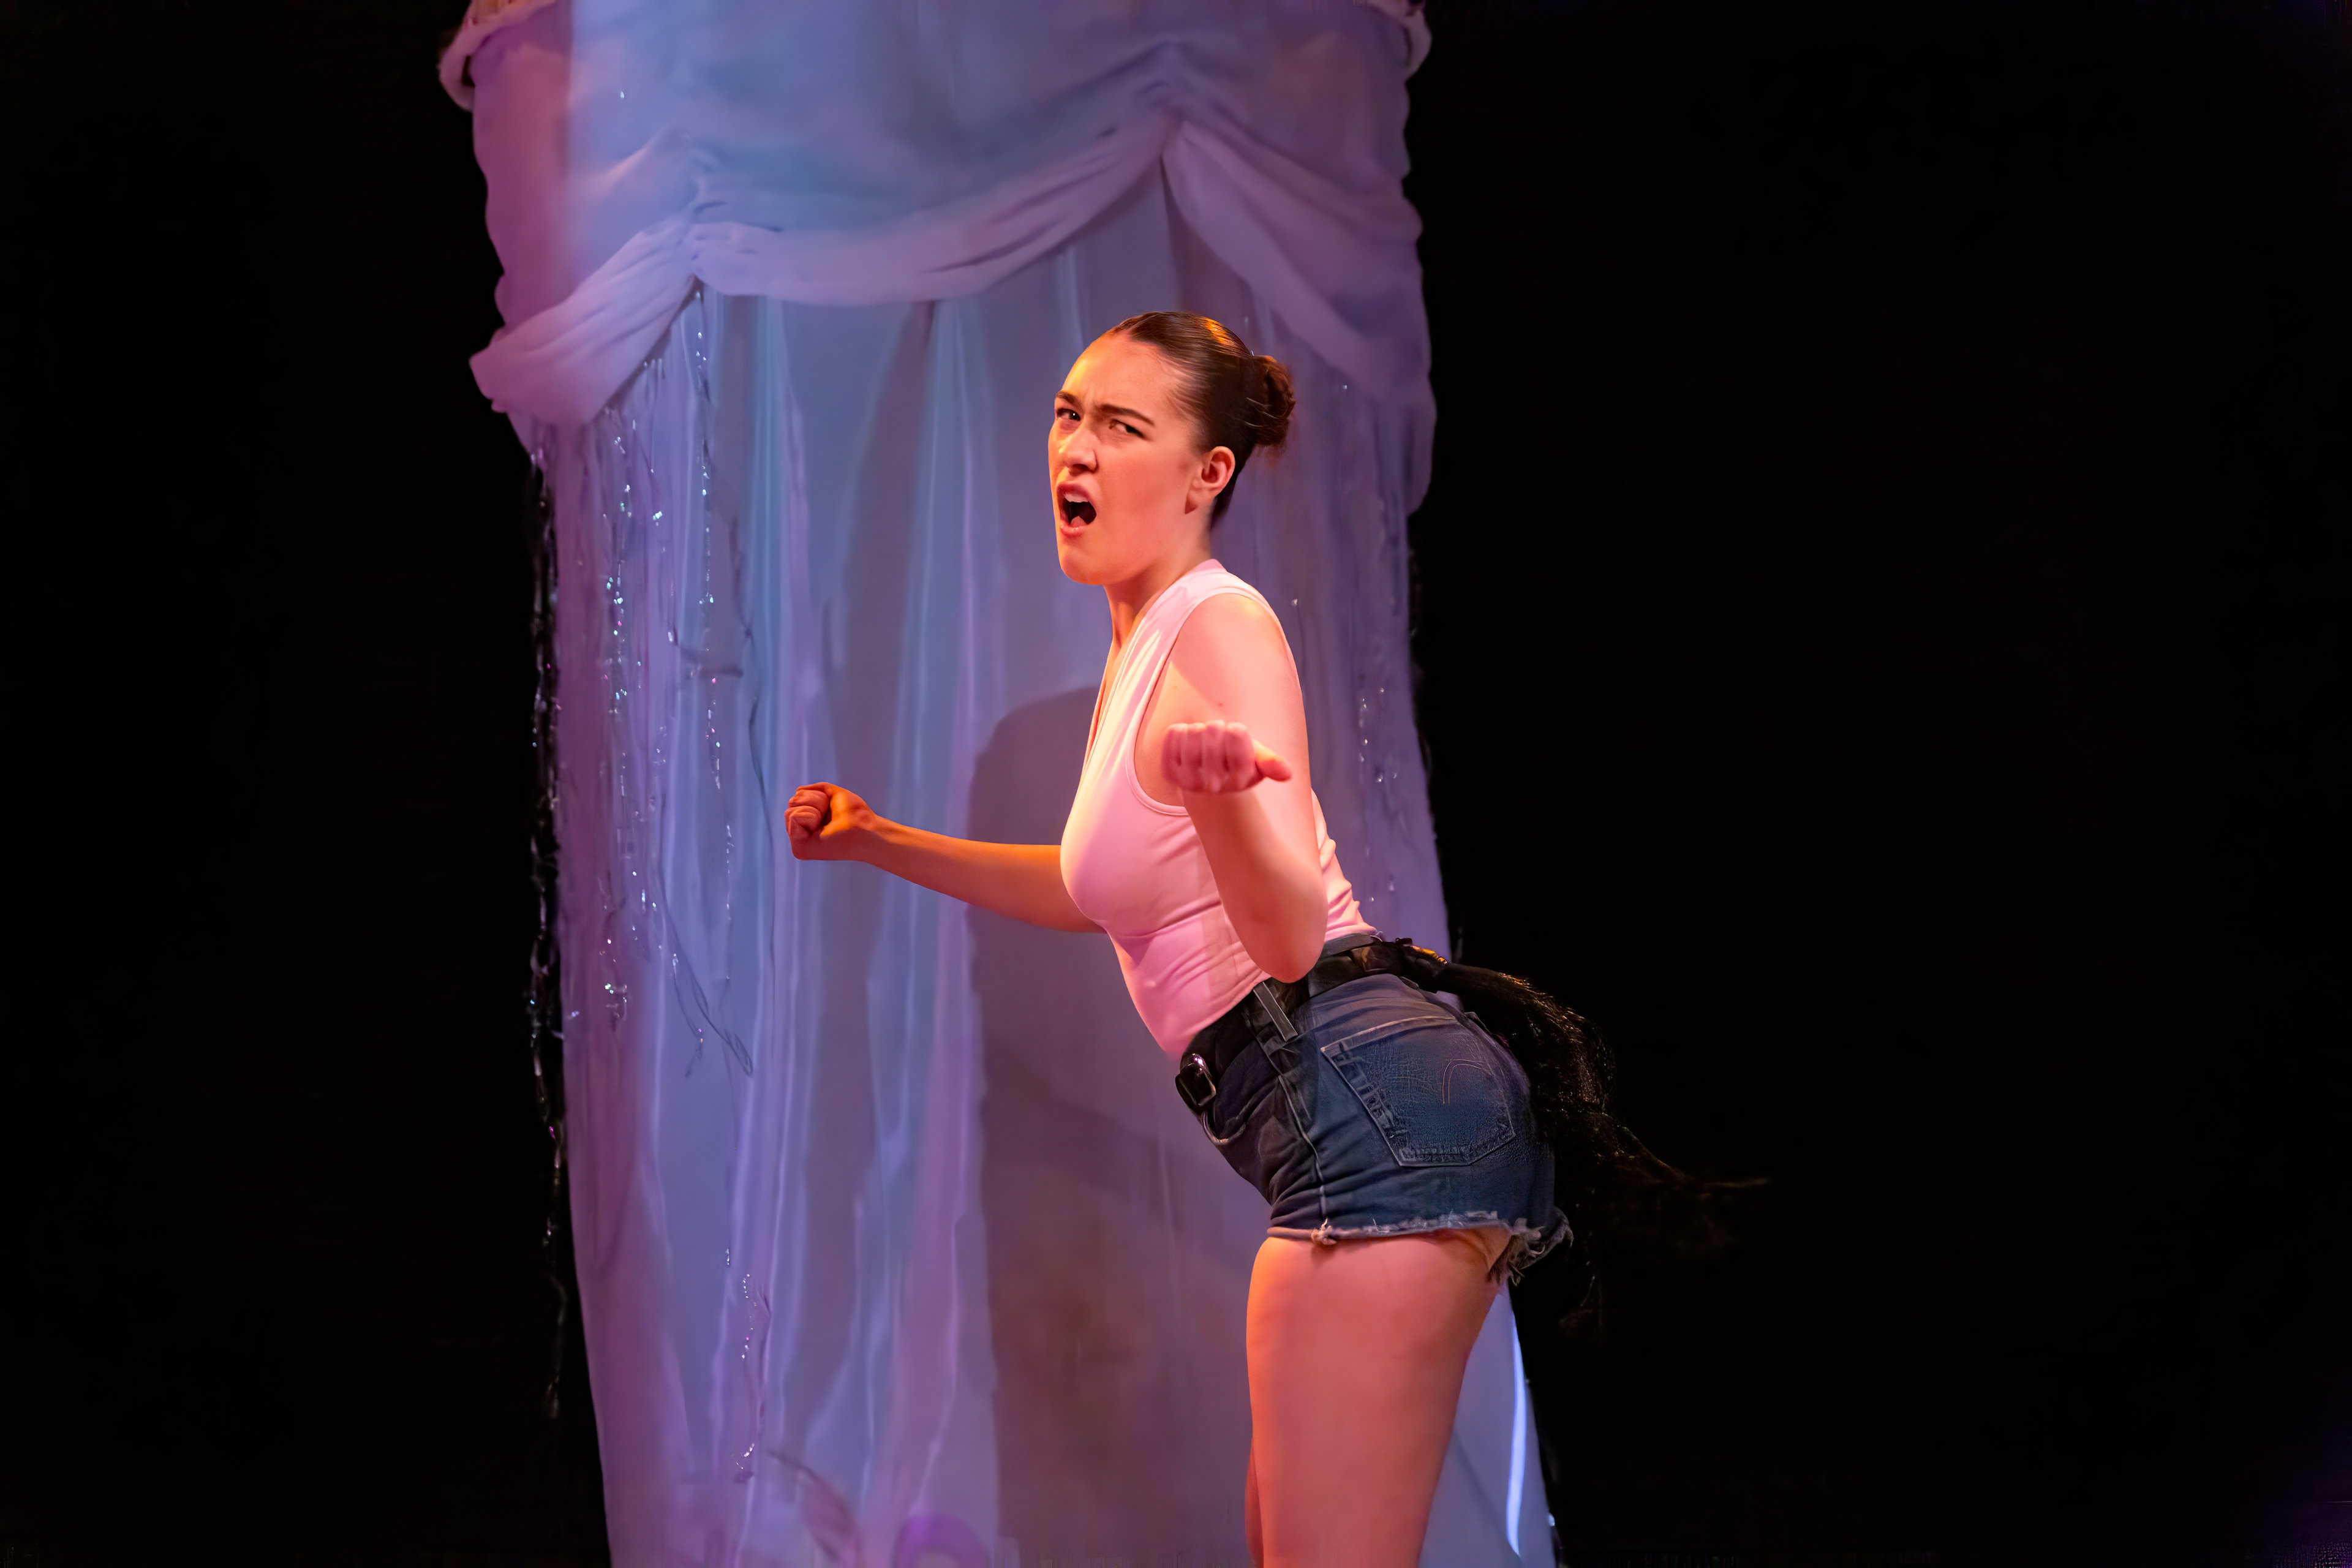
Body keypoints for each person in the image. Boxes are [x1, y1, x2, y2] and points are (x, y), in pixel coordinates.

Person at [785, 311, 1570, 1566]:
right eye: (1068, 414)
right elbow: (1097, 889)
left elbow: (1290, 935)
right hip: (1354, 1109)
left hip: (1370, 1104)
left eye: (1121, 426)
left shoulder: (1218, 623)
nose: (1076, 449)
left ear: (1209, 472)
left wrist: (1224, 805)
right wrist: (882, 840)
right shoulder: (1145, 641)